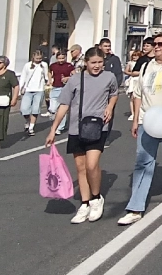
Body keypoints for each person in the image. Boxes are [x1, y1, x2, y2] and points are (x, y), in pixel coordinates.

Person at [118, 32, 162, 224]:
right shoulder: (147, 66)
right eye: (153, 44)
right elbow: (138, 94)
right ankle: (135, 208)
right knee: (143, 162)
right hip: (147, 121)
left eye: (160, 44)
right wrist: (135, 120)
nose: (156, 47)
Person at [47, 47, 119, 225]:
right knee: (80, 167)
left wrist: (110, 107)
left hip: (98, 126)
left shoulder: (109, 77)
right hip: (77, 127)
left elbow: (114, 94)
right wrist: (53, 129)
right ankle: (85, 203)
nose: (97, 66)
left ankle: (96, 198)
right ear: (86, 62)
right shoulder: (75, 80)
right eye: (93, 63)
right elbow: (64, 105)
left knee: (92, 165)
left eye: (100, 62)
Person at [20, 50, 48, 136]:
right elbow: (23, 76)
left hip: (39, 90)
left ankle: (31, 127)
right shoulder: (27, 65)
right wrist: (21, 88)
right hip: (28, 89)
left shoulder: (44, 65)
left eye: (40, 58)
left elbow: (46, 76)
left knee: (35, 109)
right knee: (24, 109)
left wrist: (47, 84)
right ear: (33, 57)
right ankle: (28, 121)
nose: (39, 60)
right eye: (37, 58)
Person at [48, 47, 75, 129]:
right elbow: (49, 72)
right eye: (59, 58)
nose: (61, 60)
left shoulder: (69, 65)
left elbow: (75, 75)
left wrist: (68, 78)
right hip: (55, 87)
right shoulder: (53, 66)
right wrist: (50, 80)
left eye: (63, 58)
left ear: (65, 58)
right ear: (56, 58)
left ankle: (60, 127)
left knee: (62, 108)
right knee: (53, 106)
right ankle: (53, 114)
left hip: (65, 88)